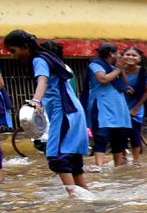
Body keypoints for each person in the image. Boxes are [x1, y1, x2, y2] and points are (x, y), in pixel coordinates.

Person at [3, 31, 92, 198]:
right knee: (72, 159)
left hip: (64, 111)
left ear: (25, 47)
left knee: (56, 155)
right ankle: (88, 199)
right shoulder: (50, 59)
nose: (14, 56)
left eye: (13, 51)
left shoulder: (39, 59)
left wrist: (36, 100)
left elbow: (42, 81)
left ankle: (75, 199)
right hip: (72, 111)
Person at [87, 43, 132, 169]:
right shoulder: (96, 64)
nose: (120, 55)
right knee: (101, 136)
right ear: (111, 54)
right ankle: (99, 166)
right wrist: (117, 69)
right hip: (102, 106)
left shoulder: (114, 67)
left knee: (119, 138)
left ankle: (117, 166)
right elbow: (103, 79)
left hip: (118, 107)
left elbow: (125, 83)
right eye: (118, 53)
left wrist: (120, 69)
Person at [120, 46, 147, 166]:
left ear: (139, 58)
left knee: (135, 133)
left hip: (136, 106)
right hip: (120, 105)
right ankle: (123, 156)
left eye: (134, 55)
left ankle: (136, 160)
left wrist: (135, 108)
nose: (130, 57)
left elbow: (146, 92)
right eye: (127, 54)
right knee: (120, 133)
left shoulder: (144, 72)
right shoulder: (116, 70)